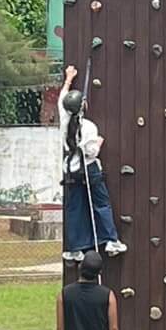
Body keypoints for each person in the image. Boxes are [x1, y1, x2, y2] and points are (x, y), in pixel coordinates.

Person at [59, 65, 125, 260]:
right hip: (89, 169)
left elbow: (62, 99)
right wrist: (99, 143)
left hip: (71, 170)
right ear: (82, 107)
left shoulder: (64, 120)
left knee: (74, 208)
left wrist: (68, 79)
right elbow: (91, 152)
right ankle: (111, 241)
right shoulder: (88, 127)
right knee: (101, 203)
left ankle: (74, 248)